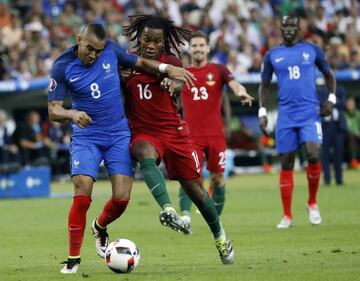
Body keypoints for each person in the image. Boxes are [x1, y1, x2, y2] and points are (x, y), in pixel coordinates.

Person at [47, 22, 195, 274]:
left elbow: (140, 63)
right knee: (82, 191)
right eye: (89, 49)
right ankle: (73, 259)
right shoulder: (62, 66)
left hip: (118, 134)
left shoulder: (111, 51)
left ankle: (100, 227)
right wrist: (72, 114)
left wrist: (166, 68)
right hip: (87, 136)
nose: (93, 54)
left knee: (122, 198)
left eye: (98, 50)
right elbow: (53, 110)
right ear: (78, 39)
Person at [122, 15, 235, 264]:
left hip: (175, 132)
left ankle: (221, 237)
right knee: (143, 153)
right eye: (146, 40)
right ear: (139, 38)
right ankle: (168, 209)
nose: (150, 45)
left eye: (156, 41)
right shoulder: (127, 62)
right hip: (144, 132)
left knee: (195, 190)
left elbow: (179, 81)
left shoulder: (171, 60)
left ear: (164, 43)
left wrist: (173, 84)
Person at [258, 15, 336, 228]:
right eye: (286, 26)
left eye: (294, 25)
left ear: (299, 29)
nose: (290, 29)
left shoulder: (312, 50)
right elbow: (264, 86)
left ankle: (312, 202)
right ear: (281, 29)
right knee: (286, 162)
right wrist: (262, 111)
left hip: (309, 112)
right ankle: (287, 215)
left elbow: (329, 75)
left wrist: (331, 99)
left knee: (312, 153)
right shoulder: (272, 55)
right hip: (286, 115)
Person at [176, 31, 253, 230]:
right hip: (190, 136)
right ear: (189, 49)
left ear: (208, 48)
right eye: (194, 46)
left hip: (215, 135)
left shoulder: (219, 69)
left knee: (218, 178)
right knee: (190, 177)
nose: (198, 49)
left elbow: (234, 84)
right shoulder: (181, 72)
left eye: (202, 45)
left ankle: (215, 220)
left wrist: (242, 92)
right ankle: (185, 217)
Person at [319, 84, 347, 186]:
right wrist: (334, 102)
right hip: (325, 127)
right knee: (325, 155)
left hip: (338, 127)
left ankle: (339, 179)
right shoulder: (320, 91)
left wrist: (329, 103)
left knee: (339, 154)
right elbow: (321, 103)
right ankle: (327, 179)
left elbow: (343, 103)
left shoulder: (340, 89)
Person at [344, 96, 360, 169]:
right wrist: (355, 132)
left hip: (358, 135)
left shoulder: (358, 114)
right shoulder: (344, 114)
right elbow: (344, 127)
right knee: (351, 137)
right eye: (349, 103)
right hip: (347, 136)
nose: (351, 105)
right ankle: (353, 161)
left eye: (352, 103)